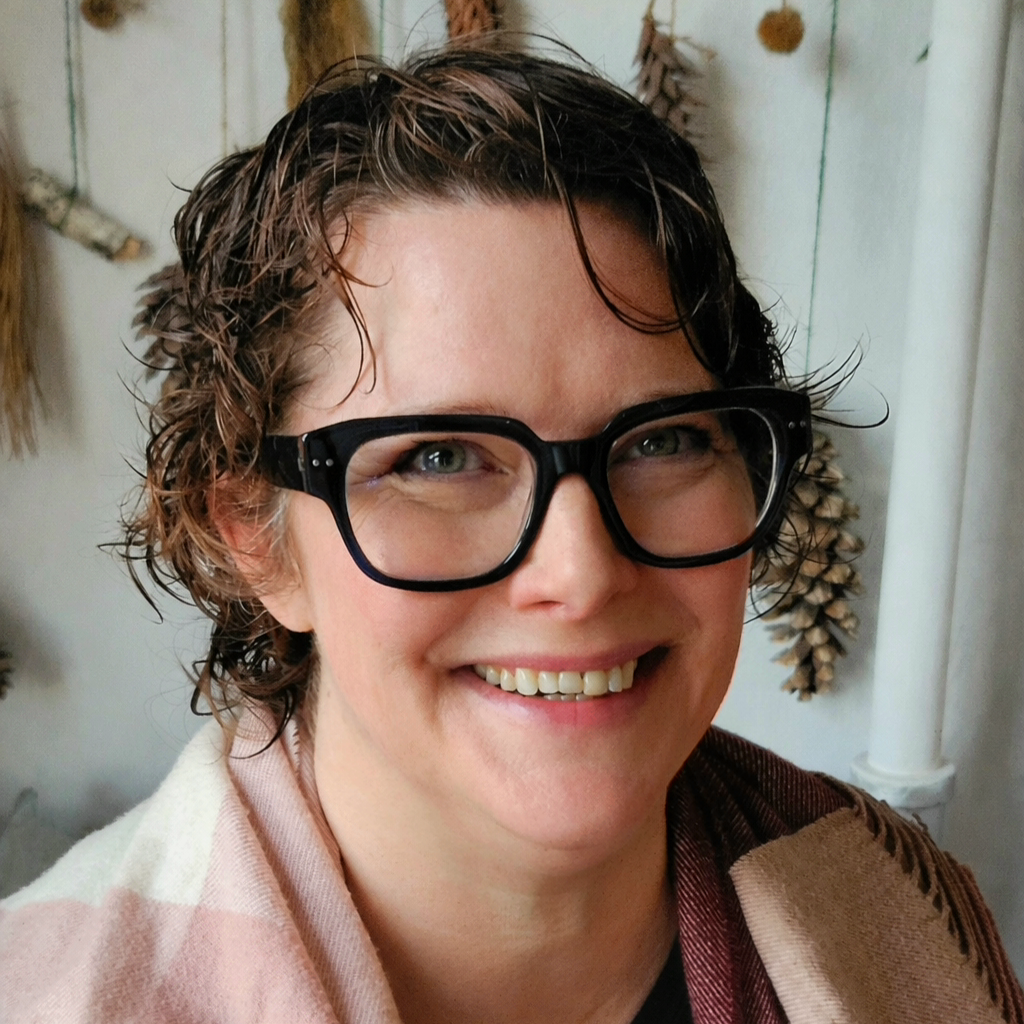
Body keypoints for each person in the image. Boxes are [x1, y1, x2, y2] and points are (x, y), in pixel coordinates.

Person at [1, 43, 1020, 1024]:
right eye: (439, 458)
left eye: (662, 439)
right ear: (253, 536)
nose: (580, 574)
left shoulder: (908, 908)